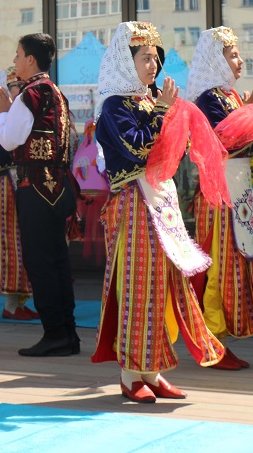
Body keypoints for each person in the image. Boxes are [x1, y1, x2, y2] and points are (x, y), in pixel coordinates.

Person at [90, 22, 226, 403]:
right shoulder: (114, 106)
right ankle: (131, 373)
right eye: (145, 57)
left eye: (155, 58)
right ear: (125, 60)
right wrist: (162, 114)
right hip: (134, 204)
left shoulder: (148, 102)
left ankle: (152, 370)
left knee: (162, 288)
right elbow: (136, 150)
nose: (153, 65)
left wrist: (165, 115)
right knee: (137, 288)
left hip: (160, 202)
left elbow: (168, 154)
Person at [184, 27, 253, 370]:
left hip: (238, 189)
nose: (240, 61)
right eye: (232, 55)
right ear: (215, 59)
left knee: (236, 264)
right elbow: (220, 143)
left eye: (238, 54)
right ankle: (213, 339)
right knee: (221, 264)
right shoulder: (206, 99)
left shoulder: (231, 97)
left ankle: (220, 338)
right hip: (219, 193)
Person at [0, 33, 77, 357]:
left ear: (30, 59)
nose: (15, 61)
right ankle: (67, 332)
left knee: (40, 262)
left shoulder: (30, 94)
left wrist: (2, 111)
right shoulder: (55, 92)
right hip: (57, 187)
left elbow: (9, 140)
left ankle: (55, 333)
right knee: (57, 261)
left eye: (17, 55)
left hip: (36, 190)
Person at [0, 65, 38, 320]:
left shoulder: (26, 113)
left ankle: (20, 299)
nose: (21, 91)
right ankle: (11, 303)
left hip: (25, 183)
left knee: (27, 240)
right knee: (10, 241)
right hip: (8, 184)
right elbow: (6, 148)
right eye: (16, 87)